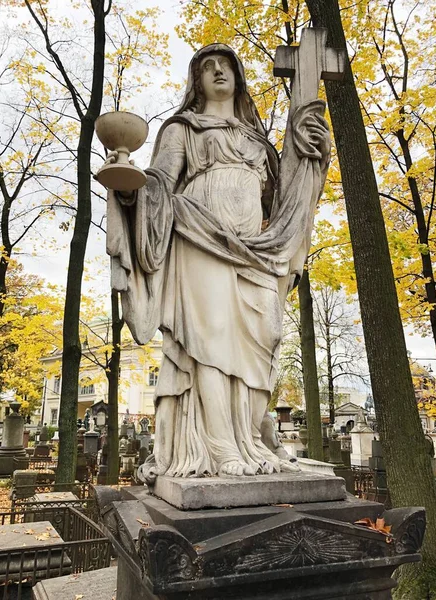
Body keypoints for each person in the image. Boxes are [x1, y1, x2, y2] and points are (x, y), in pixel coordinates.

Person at [106, 44, 330, 481]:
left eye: (225, 65)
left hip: (255, 251)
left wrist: (310, 152)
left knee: (265, 337)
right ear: (197, 81)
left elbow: (285, 202)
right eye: (207, 67)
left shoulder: (257, 141)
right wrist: (130, 188)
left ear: (238, 76)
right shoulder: (182, 129)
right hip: (197, 239)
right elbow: (160, 186)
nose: (217, 72)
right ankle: (221, 447)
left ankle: (250, 438)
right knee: (209, 344)